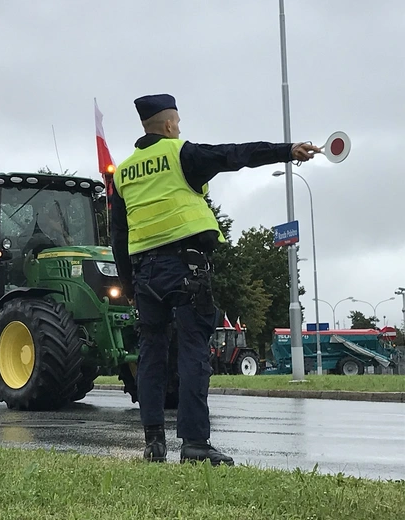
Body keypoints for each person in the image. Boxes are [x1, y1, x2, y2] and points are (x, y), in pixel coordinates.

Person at [110, 93, 319, 466]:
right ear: (171, 124)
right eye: (179, 122)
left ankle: (153, 443)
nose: (180, 127)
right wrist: (288, 150)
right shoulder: (181, 154)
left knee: (151, 355)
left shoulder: (123, 171)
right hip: (185, 268)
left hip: (145, 275)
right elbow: (236, 154)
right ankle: (195, 444)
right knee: (193, 351)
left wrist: (127, 285)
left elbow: (118, 234)